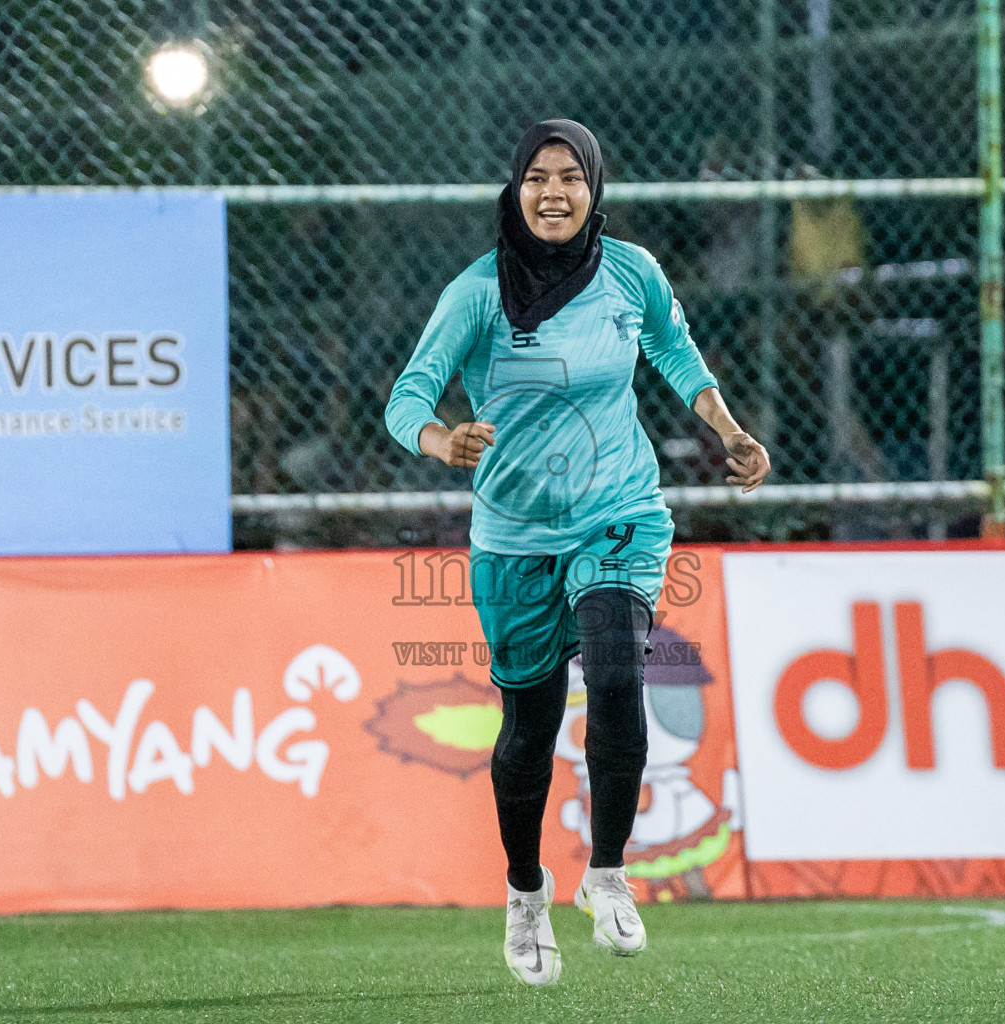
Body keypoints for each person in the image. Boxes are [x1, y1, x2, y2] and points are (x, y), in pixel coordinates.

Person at [384, 119, 770, 986]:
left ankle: (608, 872)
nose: (553, 193)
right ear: (514, 190)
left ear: (595, 189)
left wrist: (730, 429)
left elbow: (674, 350)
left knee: (621, 673)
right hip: (513, 538)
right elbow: (406, 394)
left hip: (619, 513)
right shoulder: (477, 291)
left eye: (571, 178)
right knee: (528, 725)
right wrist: (437, 439)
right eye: (537, 178)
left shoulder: (632, 271)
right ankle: (526, 892)